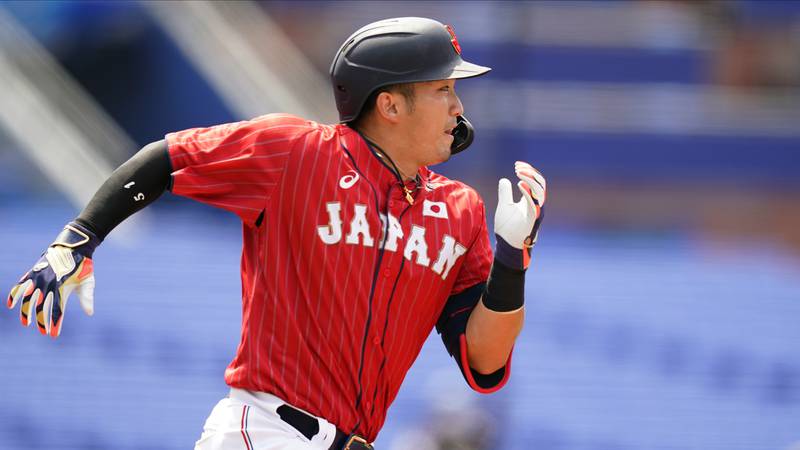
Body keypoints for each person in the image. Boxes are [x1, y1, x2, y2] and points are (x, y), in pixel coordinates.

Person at [6, 17, 545, 450]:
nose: (458, 106)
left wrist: (511, 257)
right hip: (266, 433)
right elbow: (165, 160)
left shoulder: (461, 211)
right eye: (443, 89)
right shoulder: (296, 153)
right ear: (390, 104)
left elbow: (485, 360)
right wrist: (76, 240)